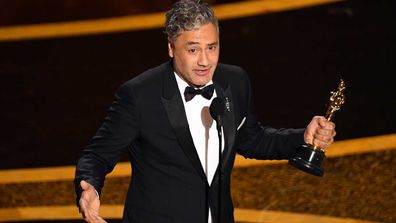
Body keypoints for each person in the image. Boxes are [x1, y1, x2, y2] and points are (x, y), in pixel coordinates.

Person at [74, 0, 336, 223]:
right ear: (170, 47)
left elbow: (251, 139)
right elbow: (97, 155)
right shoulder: (139, 95)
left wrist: (302, 137)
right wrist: (90, 187)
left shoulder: (234, 81)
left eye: (212, 47)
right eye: (193, 50)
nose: (204, 61)